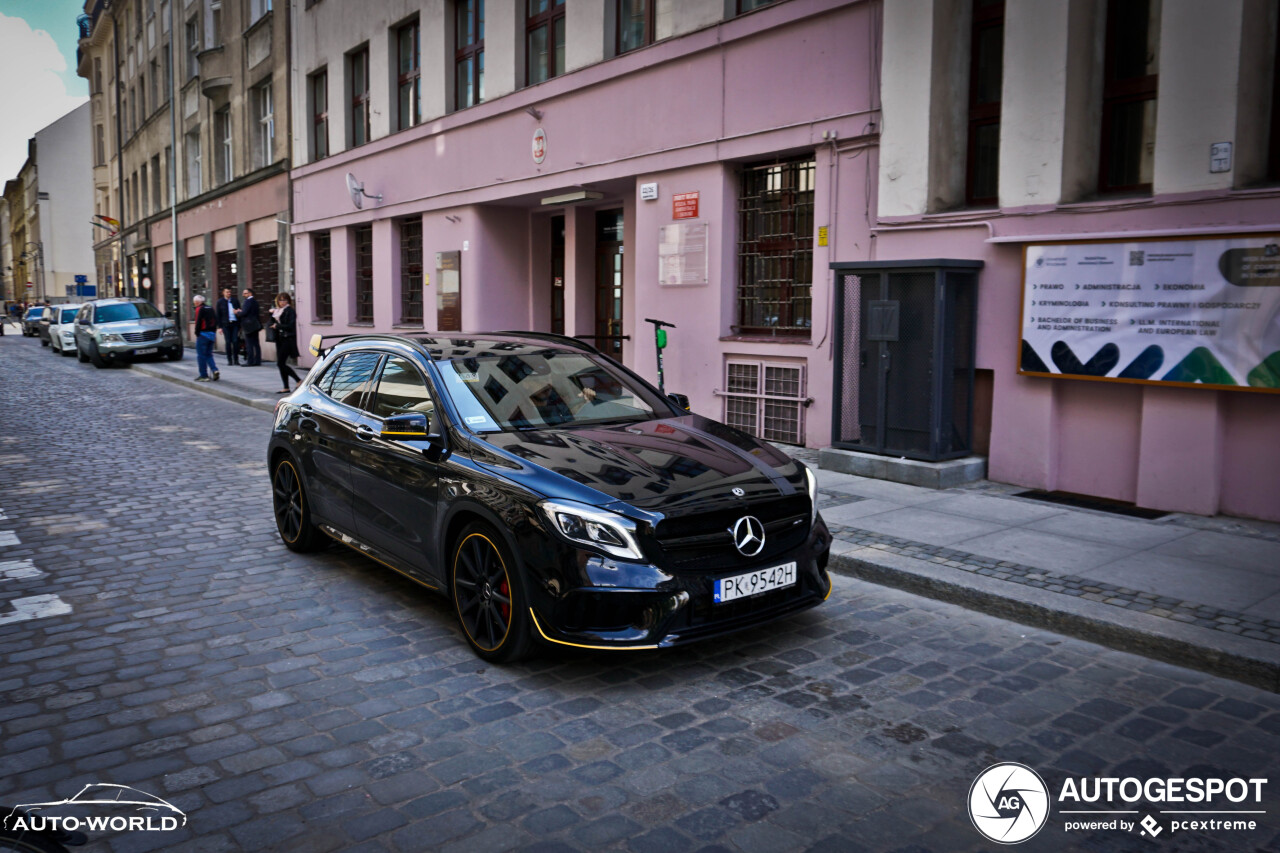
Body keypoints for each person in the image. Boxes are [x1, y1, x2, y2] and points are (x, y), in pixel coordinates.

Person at [268, 292, 302, 394]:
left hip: (288, 339)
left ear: (288, 301)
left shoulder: (290, 311)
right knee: (281, 363)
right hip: (279, 339)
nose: (282, 302)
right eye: (280, 300)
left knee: (280, 363)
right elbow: (271, 322)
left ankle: (298, 380)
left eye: (285, 300)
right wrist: (271, 314)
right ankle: (286, 387)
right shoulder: (277, 311)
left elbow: (290, 326)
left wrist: (277, 326)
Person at [193, 295, 220, 382]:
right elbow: (215, 320)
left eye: (195, 302)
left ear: (197, 302)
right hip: (212, 334)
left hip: (203, 334)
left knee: (201, 355)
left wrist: (197, 333)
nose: (194, 303)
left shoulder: (199, 309)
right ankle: (214, 369)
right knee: (209, 354)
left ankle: (204, 375)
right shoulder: (210, 308)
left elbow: (198, 321)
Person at [215, 287, 241, 366]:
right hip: (225, 324)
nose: (229, 293)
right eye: (227, 292)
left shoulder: (235, 301)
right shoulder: (220, 302)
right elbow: (218, 315)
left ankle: (236, 359)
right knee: (228, 342)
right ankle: (229, 360)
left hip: (235, 323)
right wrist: (219, 327)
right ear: (223, 293)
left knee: (235, 341)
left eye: (229, 292)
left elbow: (239, 311)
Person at [239, 288, 262, 366]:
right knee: (256, 344)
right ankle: (257, 360)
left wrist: (238, 312)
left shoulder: (248, 301)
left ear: (250, 294)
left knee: (249, 344)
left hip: (249, 326)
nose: (243, 295)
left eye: (245, 293)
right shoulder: (255, 302)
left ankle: (250, 361)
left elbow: (244, 313)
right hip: (255, 325)